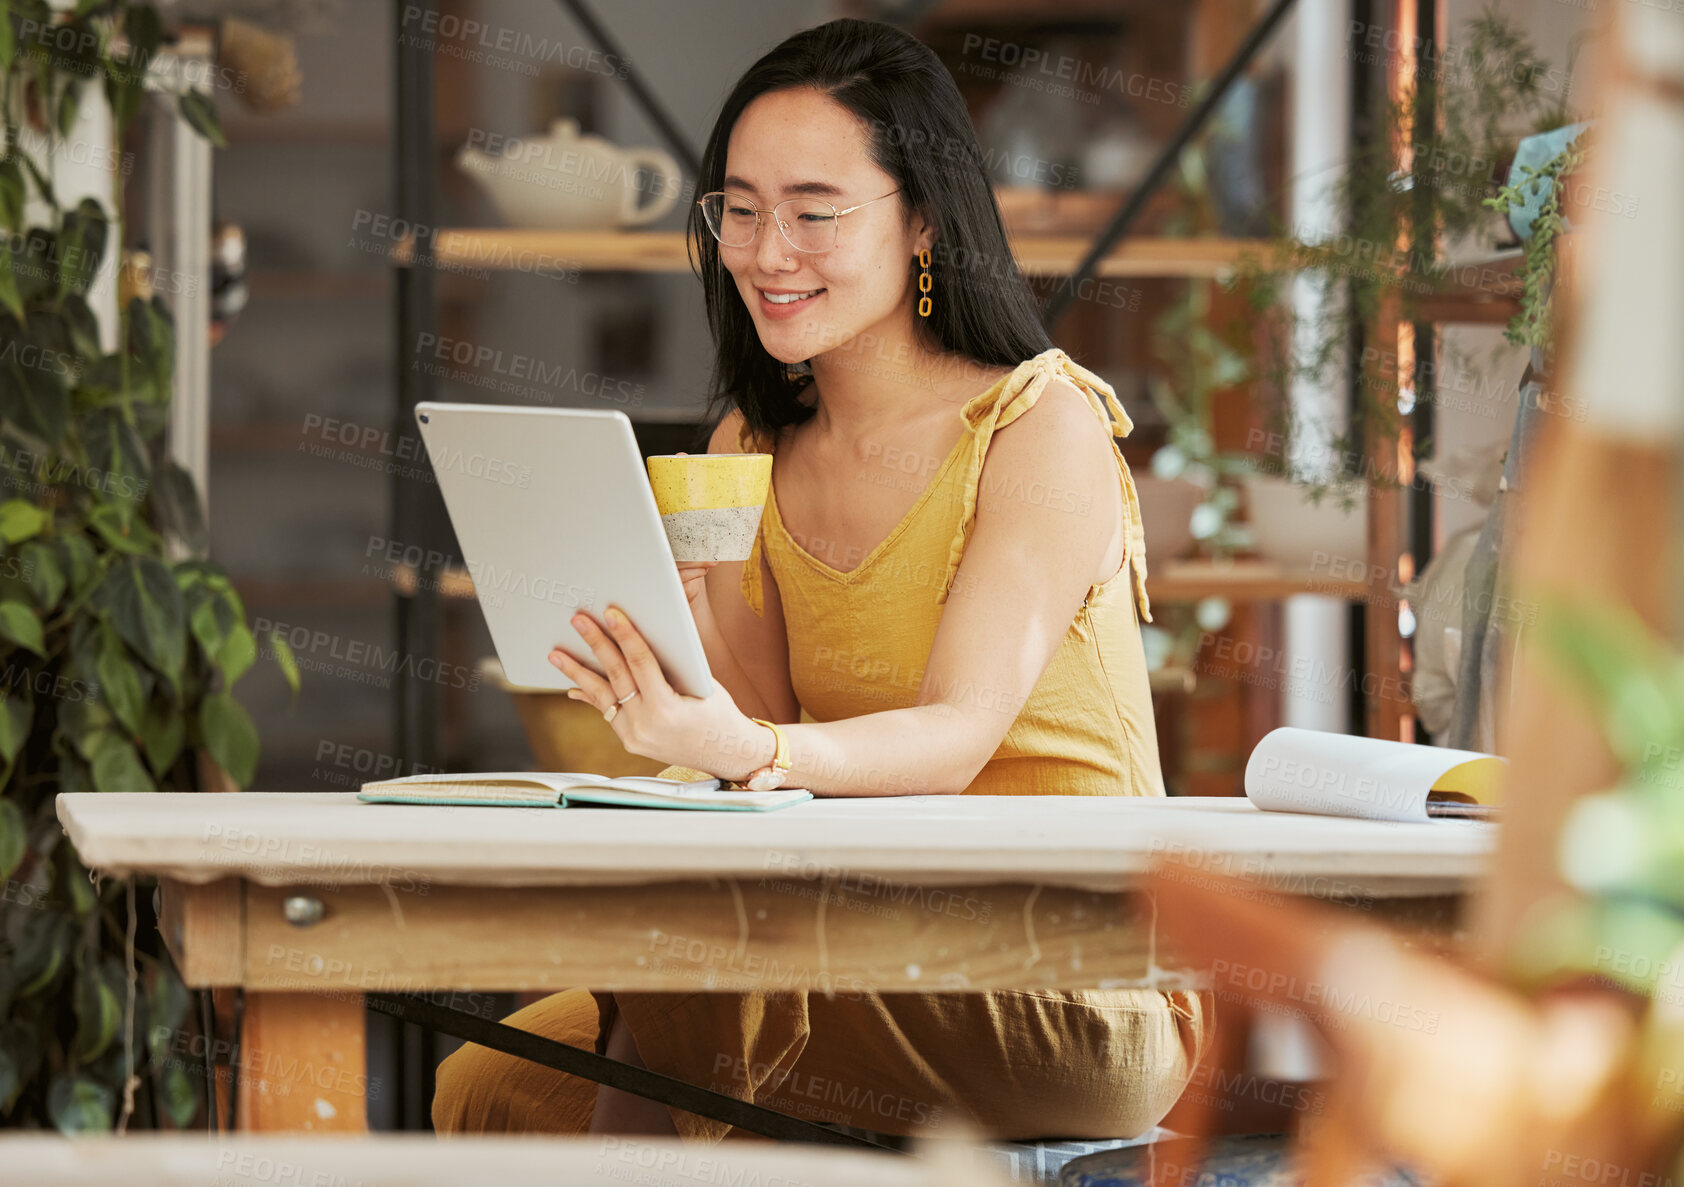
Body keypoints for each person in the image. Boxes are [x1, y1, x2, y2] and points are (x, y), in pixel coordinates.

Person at [433, 16, 1206, 1143]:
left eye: (813, 211)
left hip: (1075, 978)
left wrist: (747, 750)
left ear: (925, 221)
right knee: (489, 1082)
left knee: (685, 982)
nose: (765, 249)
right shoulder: (755, 442)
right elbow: (776, 741)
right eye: (738, 209)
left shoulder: (1039, 424)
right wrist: (681, 657)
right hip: (858, 935)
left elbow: (954, 733)